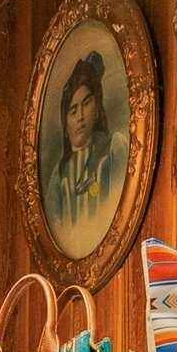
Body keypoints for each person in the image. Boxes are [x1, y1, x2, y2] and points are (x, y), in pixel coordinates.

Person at [43, 48, 123, 252]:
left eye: (86, 103)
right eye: (73, 110)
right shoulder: (59, 178)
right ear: (65, 121)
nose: (80, 116)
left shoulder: (114, 149)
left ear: (97, 108)